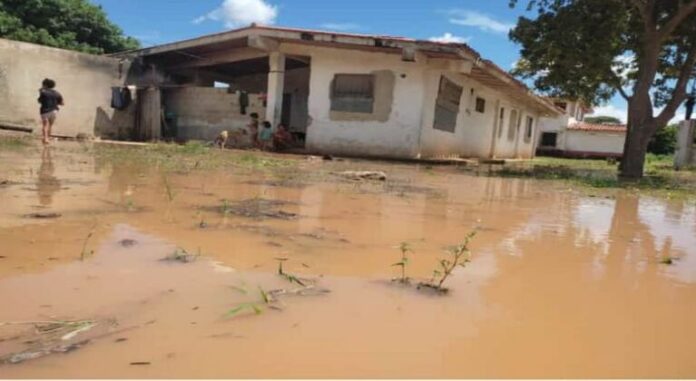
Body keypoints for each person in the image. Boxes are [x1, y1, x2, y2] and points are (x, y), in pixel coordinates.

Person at [37, 78, 64, 145]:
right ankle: (48, 138)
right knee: (50, 125)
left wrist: (40, 92)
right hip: (54, 111)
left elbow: (39, 101)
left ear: (45, 85)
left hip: (45, 110)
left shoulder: (43, 92)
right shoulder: (57, 93)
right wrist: (54, 102)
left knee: (45, 125)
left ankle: (45, 138)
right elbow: (62, 103)